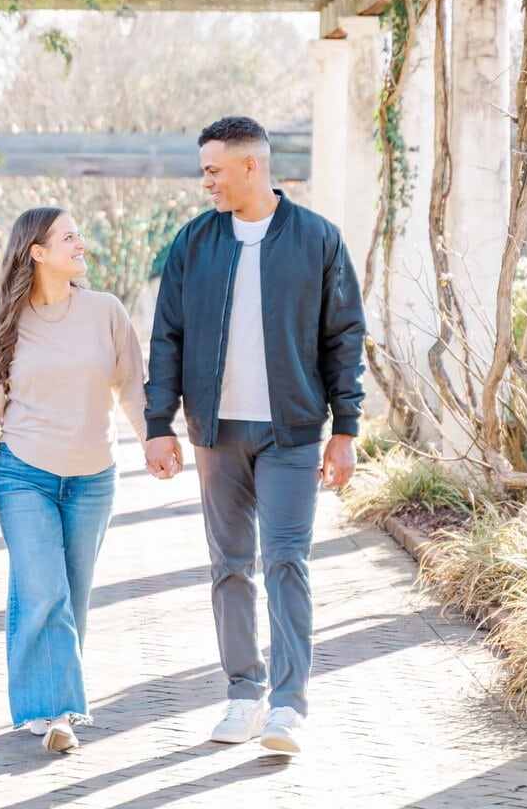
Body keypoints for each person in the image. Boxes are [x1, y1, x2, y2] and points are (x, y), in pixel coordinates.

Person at [145, 116, 365, 754]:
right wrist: (159, 425)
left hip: (292, 431)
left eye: (215, 169)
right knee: (229, 565)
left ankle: (288, 707)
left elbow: (343, 338)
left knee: (287, 561)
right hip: (217, 432)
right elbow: (167, 337)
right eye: (204, 170)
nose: (206, 180)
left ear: (252, 166)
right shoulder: (193, 243)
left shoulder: (318, 239)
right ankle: (243, 693)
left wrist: (345, 430)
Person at [0, 206, 147, 754]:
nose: (80, 242)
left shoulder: (106, 312)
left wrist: (153, 441)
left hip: (93, 477)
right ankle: (56, 711)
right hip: (24, 474)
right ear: (37, 252)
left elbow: (133, 387)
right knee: (45, 590)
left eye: (79, 233)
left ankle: (46, 703)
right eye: (69, 236)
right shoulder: (3, 322)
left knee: (71, 593)